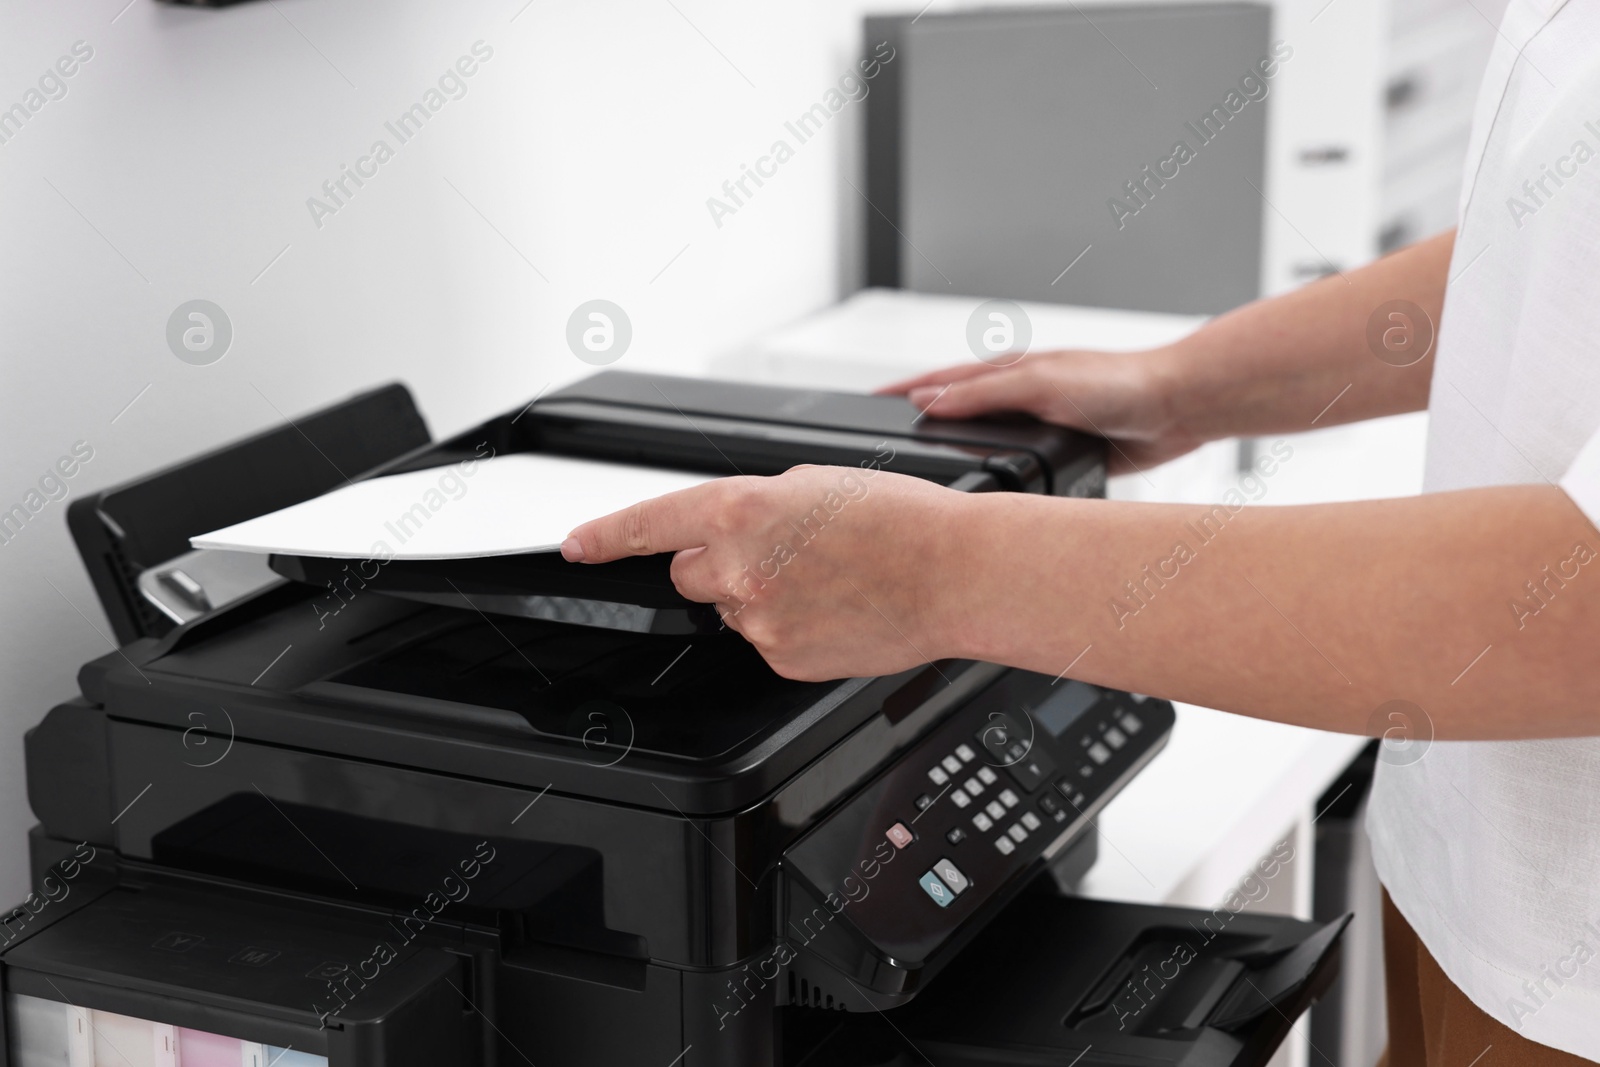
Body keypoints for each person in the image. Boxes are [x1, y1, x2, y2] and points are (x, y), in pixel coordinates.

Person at [561, 1, 1600, 1061]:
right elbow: (1541, 242)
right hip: (1476, 859)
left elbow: (1582, 600)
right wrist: (1177, 385)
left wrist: (937, 572)